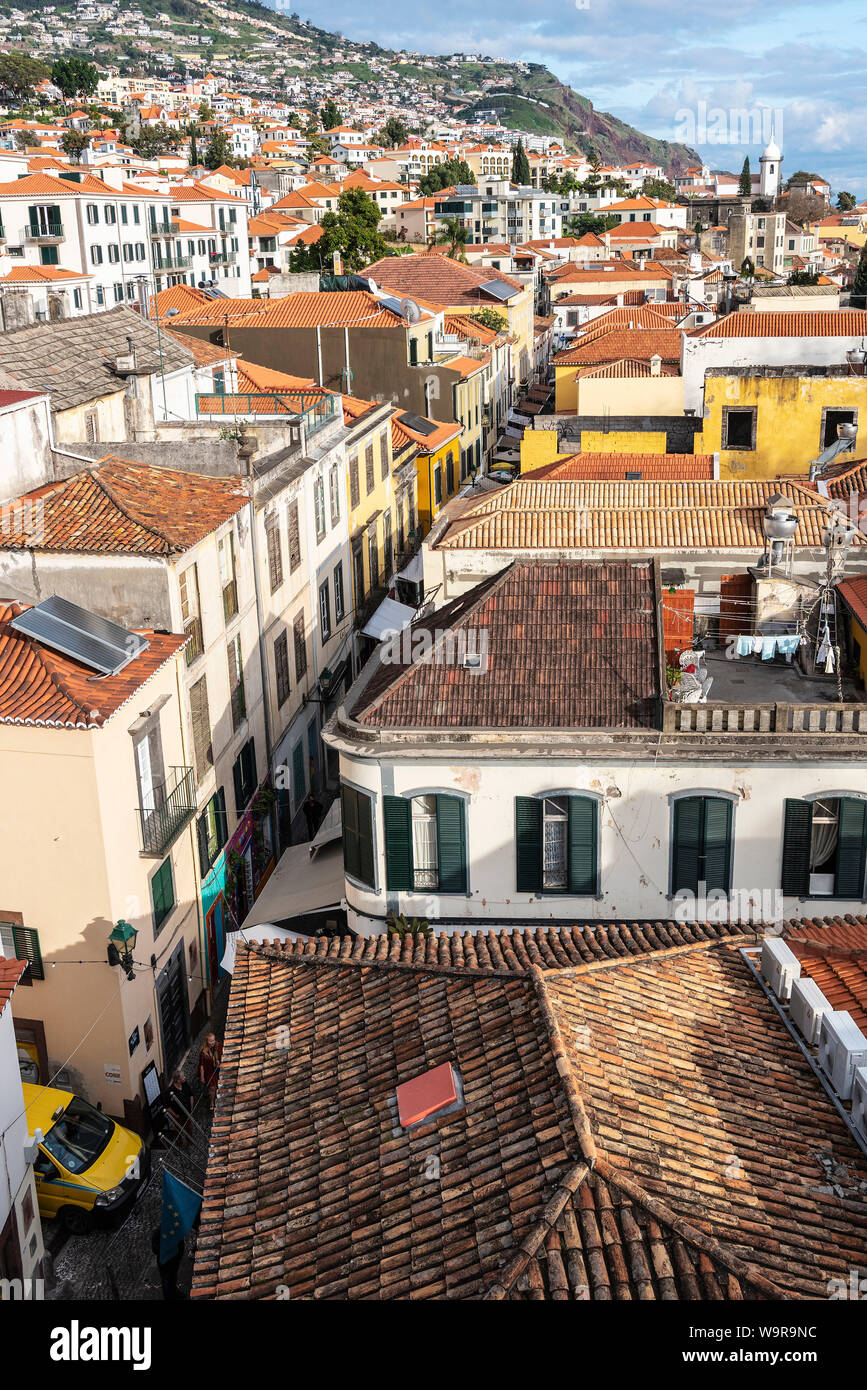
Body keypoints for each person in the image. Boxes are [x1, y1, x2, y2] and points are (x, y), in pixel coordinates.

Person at [151, 1226, 185, 1301]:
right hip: (165, 1262)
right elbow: (155, 1249)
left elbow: (180, 1242)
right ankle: (169, 1297)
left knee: (173, 1278)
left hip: (174, 1260)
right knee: (166, 1281)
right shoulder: (158, 1232)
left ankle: (174, 1292)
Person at [164, 1069, 193, 1149]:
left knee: (188, 1128)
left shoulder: (185, 1084)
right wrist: (175, 1115)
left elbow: (191, 1095)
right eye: (183, 1077)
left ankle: (189, 1143)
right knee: (178, 1130)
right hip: (178, 1116)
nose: (185, 1077)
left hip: (187, 1113)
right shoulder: (170, 1092)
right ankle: (179, 1144)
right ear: (178, 1080)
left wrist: (191, 1107)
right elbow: (167, 1107)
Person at [198, 1033, 222, 1112]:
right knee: (212, 1087)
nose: (212, 1042)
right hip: (209, 1071)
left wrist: (219, 1062)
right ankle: (212, 1102)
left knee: (218, 1084)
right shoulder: (203, 1051)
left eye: (213, 1040)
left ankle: (218, 1097)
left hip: (218, 1069)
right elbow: (201, 1065)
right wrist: (202, 1076)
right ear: (207, 1041)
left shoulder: (218, 1046)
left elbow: (223, 1055)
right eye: (210, 1041)